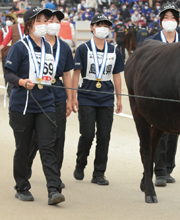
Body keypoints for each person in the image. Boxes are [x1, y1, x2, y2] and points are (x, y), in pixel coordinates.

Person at [4, 6, 65, 205]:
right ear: (29, 25)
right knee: (23, 148)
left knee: (48, 146)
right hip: (22, 106)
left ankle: (53, 190)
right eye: (39, 21)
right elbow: (8, 74)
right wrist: (22, 82)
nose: (44, 25)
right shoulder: (19, 47)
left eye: (46, 21)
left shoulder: (49, 47)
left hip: (46, 105)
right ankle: (21, 187)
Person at [72, 14, 124, 185]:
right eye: (99, 25)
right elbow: (76, 74)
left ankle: (99, 173)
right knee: (87, 135)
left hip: (106, 97)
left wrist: (119, 98)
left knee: (104, 136)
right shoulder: (83, 49)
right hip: (86, 95)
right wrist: (73, 96)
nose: (103, 28)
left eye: (106, 26)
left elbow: (116, 75)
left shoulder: (114, 50)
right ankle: (80, 164)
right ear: (92, 27)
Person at [144, 2, 180, 187]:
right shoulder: (151, 42)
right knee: (159, 132)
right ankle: (159, 171)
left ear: (178, 22)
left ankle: (169, 168)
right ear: (160, 21)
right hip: (158, 93)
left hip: (179, 95)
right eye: (165, 18)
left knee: (175, 133)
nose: (169, 21)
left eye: (172, 18)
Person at [27, 10, 74, 188]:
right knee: (34, 137)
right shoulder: (36, 45)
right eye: (50, 20)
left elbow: (67, 74)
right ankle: (26, 167)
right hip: (39, 94)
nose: (53, 23)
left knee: (58, 137)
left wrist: (70, 98)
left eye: (57, 21)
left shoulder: (64, 47)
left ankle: (55, 176)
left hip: (58, 95)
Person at [0, 9, 26, 97]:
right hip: (15, 56)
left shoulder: (29, 27)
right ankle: (12, 94)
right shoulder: (14, 28)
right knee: (12, 75)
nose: (20, 18)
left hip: (26, 56)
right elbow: (6, 40)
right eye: (19, 16)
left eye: (21, 16)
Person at [0, 12, 16, 94]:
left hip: (13, 54)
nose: (7, 21)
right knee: (7, 73)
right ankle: (8, 90)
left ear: (13, 20)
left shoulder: (16, 29)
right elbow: (1, 42)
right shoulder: (2, 30)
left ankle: (12, 89)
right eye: (6, 19)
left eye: (9, 19)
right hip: (5, 54)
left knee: (14, 73)